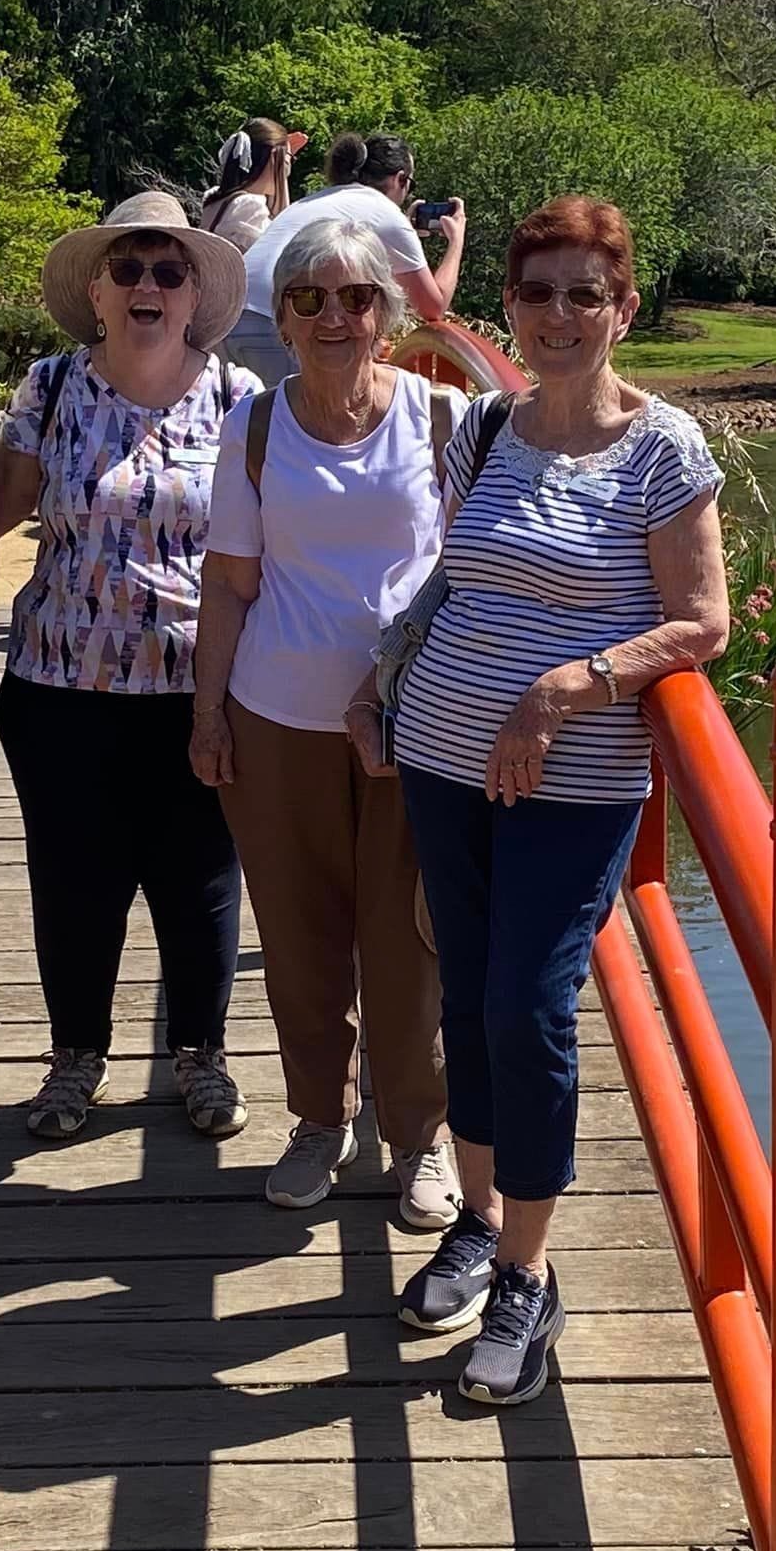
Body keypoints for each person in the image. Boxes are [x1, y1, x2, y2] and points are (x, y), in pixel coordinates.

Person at [363, 195, 730, 1405]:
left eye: (587, 292)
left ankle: (528, 1269)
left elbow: (704, 622)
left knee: (528, 1007)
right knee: (463, 993)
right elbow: (451, 578)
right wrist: (389, 685)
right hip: (441, 758)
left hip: (573, 782)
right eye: (539, 292)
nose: (561, 313)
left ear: (623, 309)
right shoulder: (484, 428)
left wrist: (574, 684)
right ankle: (476, 1216)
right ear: (509, 308)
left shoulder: (663, 447)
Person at [191, 216, 461, 1229]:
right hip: (277, 715)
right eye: (310, 297)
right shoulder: (254, 428)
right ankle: (316, 1118)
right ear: (285, 319)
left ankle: (417, 1134)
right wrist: (208, 711)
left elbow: (469, 566)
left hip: (410, 725)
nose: (335, 315)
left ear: (386, 317)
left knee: (407, 940)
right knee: (300, 938)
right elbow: (229, 581)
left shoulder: (437, 417)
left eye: (356, 297)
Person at [0, 193, 261, 1141]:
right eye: (130, 269)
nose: (148, 285)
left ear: (195, 296)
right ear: (98, 291)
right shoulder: (51, 386)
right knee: (75, 878)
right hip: (60, 683)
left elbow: (272, 547)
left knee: (201, 876)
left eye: (169, 271)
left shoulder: (239, 403)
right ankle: (77, 1057)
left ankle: (201, 1054)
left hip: (198, 684)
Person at [225, 131, 467, 387]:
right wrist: (456, 240)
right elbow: (433, 305)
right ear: (401, 179)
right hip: (272, 321)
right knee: (300, 421)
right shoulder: (387, 214)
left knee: (248, 421)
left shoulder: (319, 199)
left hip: (230, 312)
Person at [200, 119, 306, 252]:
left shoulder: (215, 198)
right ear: (273, 158)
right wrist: (283, 159)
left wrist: (283, 154)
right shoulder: (249, 206)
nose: (288, 167)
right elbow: (277, 247)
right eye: (289, 159)